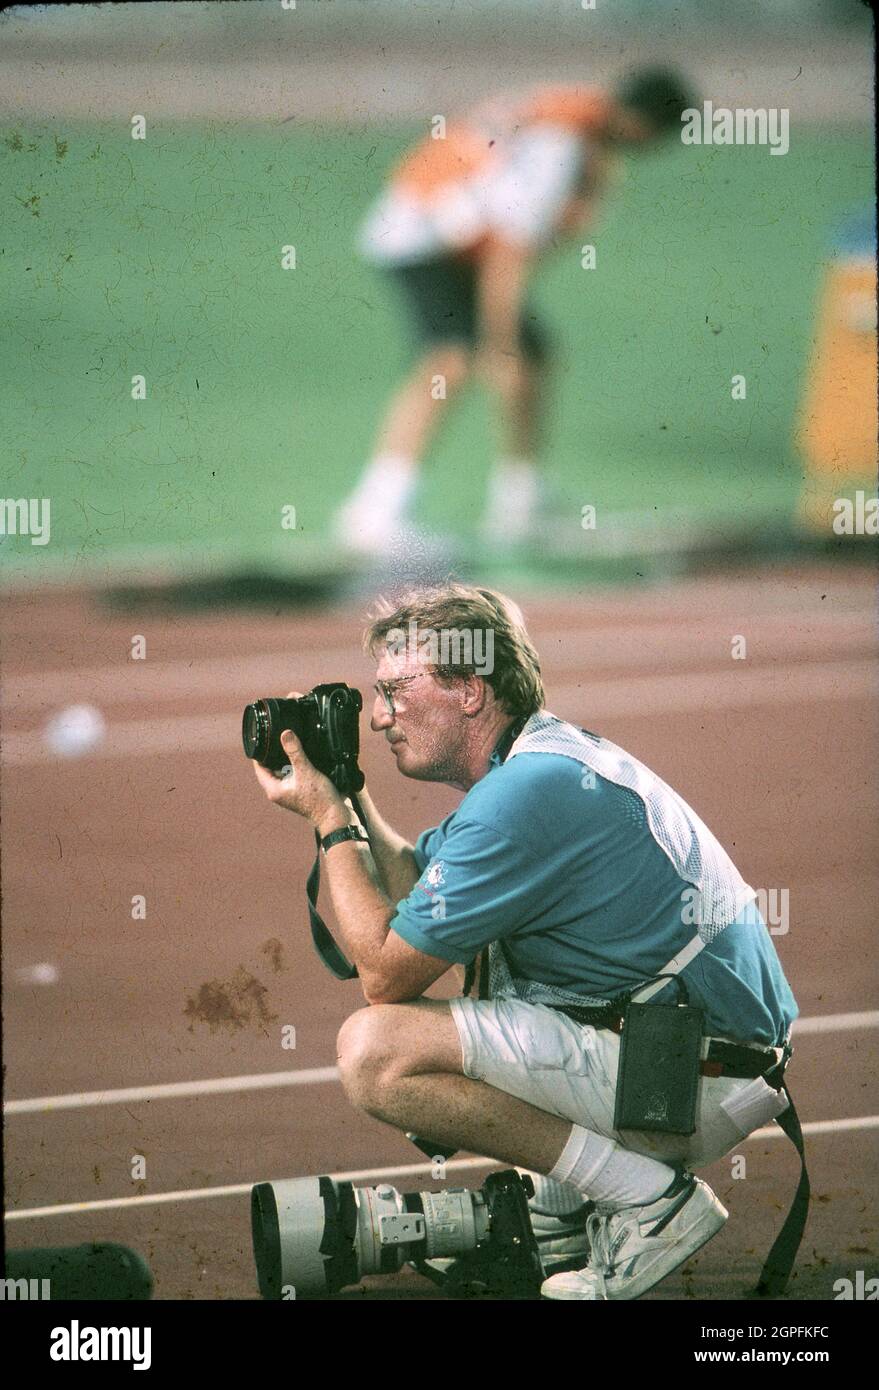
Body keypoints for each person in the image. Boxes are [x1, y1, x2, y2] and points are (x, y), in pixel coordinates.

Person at [251, 582, 798, 1300]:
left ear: (468, 691)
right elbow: (417, 881)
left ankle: (647, 1201)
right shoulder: (537, 764)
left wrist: (329, 821)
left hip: (689, 1078)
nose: (379, 716)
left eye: (393, 691)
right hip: (692, 1054)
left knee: (376, 1051)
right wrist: (345, 790)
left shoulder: (525, 796)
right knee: (472, 989)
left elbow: (385, 973)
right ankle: (565, 1211)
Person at [333, 67, 695, 554]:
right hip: (423, 238)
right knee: (451, 361)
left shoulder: (578, 127)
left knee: (532, 358)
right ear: (643, 123)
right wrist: (499, 339)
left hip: (457, 239)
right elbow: (511, 250)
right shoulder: (563, 143)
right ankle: (374, 512)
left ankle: (520, 501)